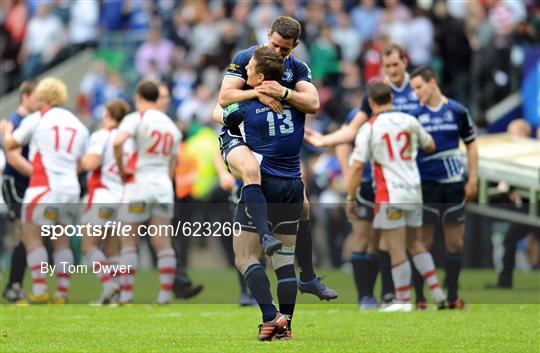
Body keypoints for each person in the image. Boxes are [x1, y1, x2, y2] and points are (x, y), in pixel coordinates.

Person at [214, 15, 337, 300]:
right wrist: (257, 93)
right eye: (275, 45)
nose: (279, 52)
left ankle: (306, 276)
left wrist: (282, 92)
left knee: (302, 205)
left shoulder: (297, 69)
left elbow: (314, 103)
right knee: (250, 173)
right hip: (242, 134)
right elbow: (223, 99)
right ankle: (264, 239)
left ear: (295, 46)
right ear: (268, 35)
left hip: (272, 142)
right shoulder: (248, 58)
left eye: (285, 49)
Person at [304, 43, 421, 305]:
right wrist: (326, 143)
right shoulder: (375, 97)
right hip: (372, 179)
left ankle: (399, 294)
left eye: (396, 64)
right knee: (365, 235)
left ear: (405, 62)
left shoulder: (418, 90)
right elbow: (348, 135)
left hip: (406, 179)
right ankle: (366, 296)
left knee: (398, 239)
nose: (392, 70)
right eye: (387, 66)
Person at [217, 46, 305, 340]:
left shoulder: (246, 105)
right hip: (293, 187)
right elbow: (312, 103)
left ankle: (270, 318)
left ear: (261, 75)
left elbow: (221, 111)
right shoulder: (298, 103)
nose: (246, 70)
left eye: (251, 67)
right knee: (284, 260)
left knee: (244, 257)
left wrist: (251, 95)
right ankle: (287, 327)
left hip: (263, 185)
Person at [347, 82, 445, 312]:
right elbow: (430, 145)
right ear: (391, 97)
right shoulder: (409, 120)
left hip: (389, 193)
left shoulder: (370, 127)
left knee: (395, 247)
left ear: (371, 102)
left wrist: (351, 197)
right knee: (415, 242)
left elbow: (357, 167)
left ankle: (402, 301)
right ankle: (438, 293)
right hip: (414, 189)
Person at [1, 77, 89, 304]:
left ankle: (40, 288)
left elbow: (11, 145)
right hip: (70, 188)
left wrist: (8, 131)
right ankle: (62, 293)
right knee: (61, 240)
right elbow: (85, 161)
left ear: (43, 96)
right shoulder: (78, 124)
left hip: (44, 185)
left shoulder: (38, 118)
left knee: (31, 235)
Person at [410, 66, 478, 309]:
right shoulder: (415, 115)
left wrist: (473, 179)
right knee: (422, 241)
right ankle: (419, 297)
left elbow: (471, 145)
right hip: (426, 187)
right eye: (413, 89)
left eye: (418, 87)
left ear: (432, 82)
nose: (416, 93)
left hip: (453, 186)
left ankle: (452, 296)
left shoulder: (457, 111)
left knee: (455, 243)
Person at [113, 80, 181, 305]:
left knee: (129, 241)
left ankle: (126, 294)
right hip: (162, 186)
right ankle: (163, 294)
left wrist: (123, 170)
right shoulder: (171, 126)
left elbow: (118, 141)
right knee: (163, 242)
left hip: (139, 183)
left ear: (139, 97)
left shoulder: (136, 118)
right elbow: (174, 163)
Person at [80, 99, 132, 304]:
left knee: (88, 245)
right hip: (121, 197)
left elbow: (92, 162)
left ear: (107, 115)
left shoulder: (102, 135)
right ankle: (116, 293)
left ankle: (109, 284)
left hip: (101, 195)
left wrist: (81, 160)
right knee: (112, 248)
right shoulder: (128, 139)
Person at [157, 82, 204, 300]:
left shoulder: (166, 124)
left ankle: (177, 284)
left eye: (167, 96)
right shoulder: (149, 123)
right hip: (148, 188)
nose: (166, 100)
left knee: (165, 240)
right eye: (162, 96)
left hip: (167, 191)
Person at [2, 81, 37, 302]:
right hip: (15, 183)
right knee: (24, 234)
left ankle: (15, 285)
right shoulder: (15, 121)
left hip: (26, 184)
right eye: (36, 97)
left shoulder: (29, 121)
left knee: (27, 235)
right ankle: (13, 285)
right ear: (25, 97)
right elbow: (11, 154)